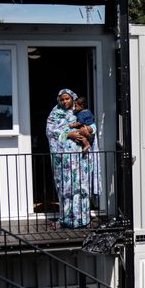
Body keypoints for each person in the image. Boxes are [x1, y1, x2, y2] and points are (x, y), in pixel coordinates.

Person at [46, 89, 100, 228]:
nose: (65, 102)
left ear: (73, 99)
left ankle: (83, 219)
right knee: (66, 187)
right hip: (64, 160)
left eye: (67, 99)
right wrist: (70, 134)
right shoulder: (55, 113)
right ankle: (66, 219)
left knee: (81, 186)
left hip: (81, 158)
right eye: (62, 99)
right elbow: (50, 131)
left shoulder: (80, 111)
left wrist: (87, 130)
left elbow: (92, 126)